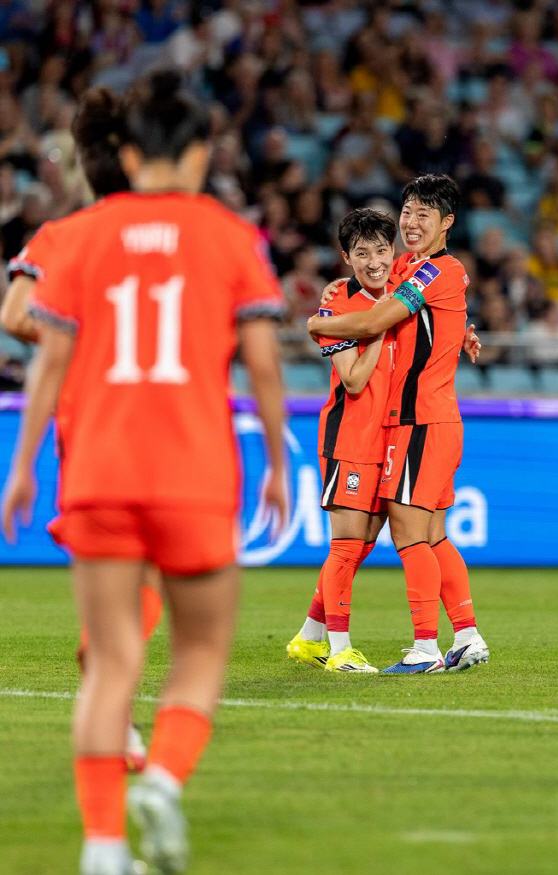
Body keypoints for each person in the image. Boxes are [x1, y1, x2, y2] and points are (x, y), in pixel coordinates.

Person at [1, 70, 287, 875]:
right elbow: (264, 363)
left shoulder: (79, 235)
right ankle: (160, 780)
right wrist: (274, 463)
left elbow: (47, 358)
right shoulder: (232, 236)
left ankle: (101, 847)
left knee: (111, 661)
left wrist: (22, 469)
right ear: (198, 153)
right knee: (200, 648)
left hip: (96, 470)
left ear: (126, 153)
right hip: (194, 470)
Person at [1, 86, 162, 772]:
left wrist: (80, 341)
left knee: (111, 575)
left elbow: (14, 315)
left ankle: (116, 713)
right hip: (159, 421)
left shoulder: (59, 235)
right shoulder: (174, 239)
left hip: (87, 425)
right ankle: (115, 692)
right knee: (153, 574)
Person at [308, 174, 488, 675]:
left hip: (420, 419)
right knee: (432, 534)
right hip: (424, 420)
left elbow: (371, 322)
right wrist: (463, 331)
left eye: (423, 215)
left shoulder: (437, 271)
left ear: (447, 223)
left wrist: (320, 323)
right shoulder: (411, 266)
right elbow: (381, 294)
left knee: (409, 532)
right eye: (406, 211)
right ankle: (468, 636)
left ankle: (426, 647)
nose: (409, 222)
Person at [287, 208, 399, 674]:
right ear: (345, 258)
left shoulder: (405, 291)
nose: (373, 261)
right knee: (347, 544)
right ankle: (340, 649)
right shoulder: (336, 307)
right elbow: (352, 380)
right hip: (349, 438)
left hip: (387, 436)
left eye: (381, 250)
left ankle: (309, 638)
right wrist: (378, 324)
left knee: (365, 540)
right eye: (361, 253)